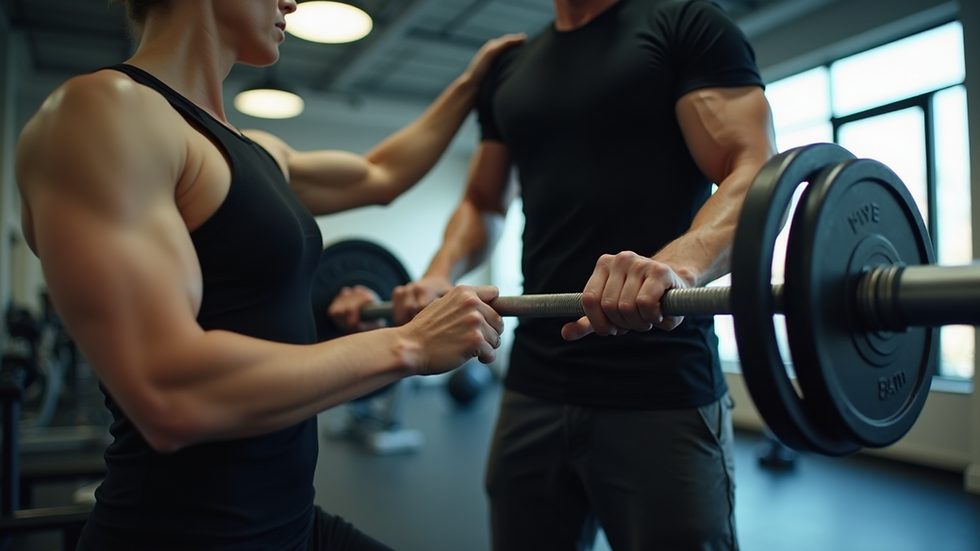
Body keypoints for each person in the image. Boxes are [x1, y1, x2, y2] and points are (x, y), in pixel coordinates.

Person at [14, 1, 524, 549]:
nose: (291, 2)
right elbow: (167, 390)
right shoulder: (104, 113)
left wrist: (474, 82)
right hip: (182, 535)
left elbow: (382, 174)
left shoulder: (256, 151)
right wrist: (408, 346)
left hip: (291, 521)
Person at [335, 0, 779, 549]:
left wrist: (679, 267)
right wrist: (440, 271)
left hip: (661, 384)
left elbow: (752, 165)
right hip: (535, 383)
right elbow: (483, 202)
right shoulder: (510, 68)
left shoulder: (684, 24)